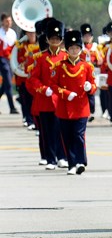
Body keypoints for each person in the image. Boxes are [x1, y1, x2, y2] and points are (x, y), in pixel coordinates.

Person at [52, 30, 97, 174]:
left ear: (80, 49)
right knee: (67, 136)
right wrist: (65, 93)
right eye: (71, 48)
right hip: (64, 107)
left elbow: (93, 84)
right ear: (67, 49)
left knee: (78, 135)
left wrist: (90, 88)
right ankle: (71, 164)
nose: (74, 51)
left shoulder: (87, 66)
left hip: (81, 107)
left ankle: (80, 161)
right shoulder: (59, 66)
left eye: (76, 48)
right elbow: (53, 85)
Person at [27, 19, 68, 169]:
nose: (55, 42)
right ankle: (50, 159)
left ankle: (62, 157)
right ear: (47, 40)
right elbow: (33, 79)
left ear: (61, 40)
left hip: (60, 100)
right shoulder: (40, 58)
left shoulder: (65, 57)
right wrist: (44, 89)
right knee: (46, 132)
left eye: (57, 39)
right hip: (45, 100)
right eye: (52, 39)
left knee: (61, 131)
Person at [11, 27, 39, 130]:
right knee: (25, 100)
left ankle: (33, 120)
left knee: (34, 100)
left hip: (35, 78)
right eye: (29, 33)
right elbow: (16, 59)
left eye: (33, 33)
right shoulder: (21, 45)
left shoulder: (40, 45)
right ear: (26, 33)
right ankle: (28, 119)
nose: (31, 35)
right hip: (23, 77)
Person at [78, 23, 103, 123]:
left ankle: (91, 111)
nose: (87, 37)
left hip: (93, 72)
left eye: (89, 35)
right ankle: (85, 112)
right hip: (82, 72)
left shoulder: (96, 47)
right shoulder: (80, 48)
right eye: (85, 36)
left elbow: (101, 60)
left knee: (91, 92)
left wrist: (96, 58)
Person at [0, 13, 19, 115]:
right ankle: (12, 107)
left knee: (5, 84)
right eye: (7, 21)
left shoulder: (12, 33)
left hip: (10, 59)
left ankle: (11, 107)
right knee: (8, 81)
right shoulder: (0, 33)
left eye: (10, 21)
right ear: (3, 21)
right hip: (2, 59)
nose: (9, 23)